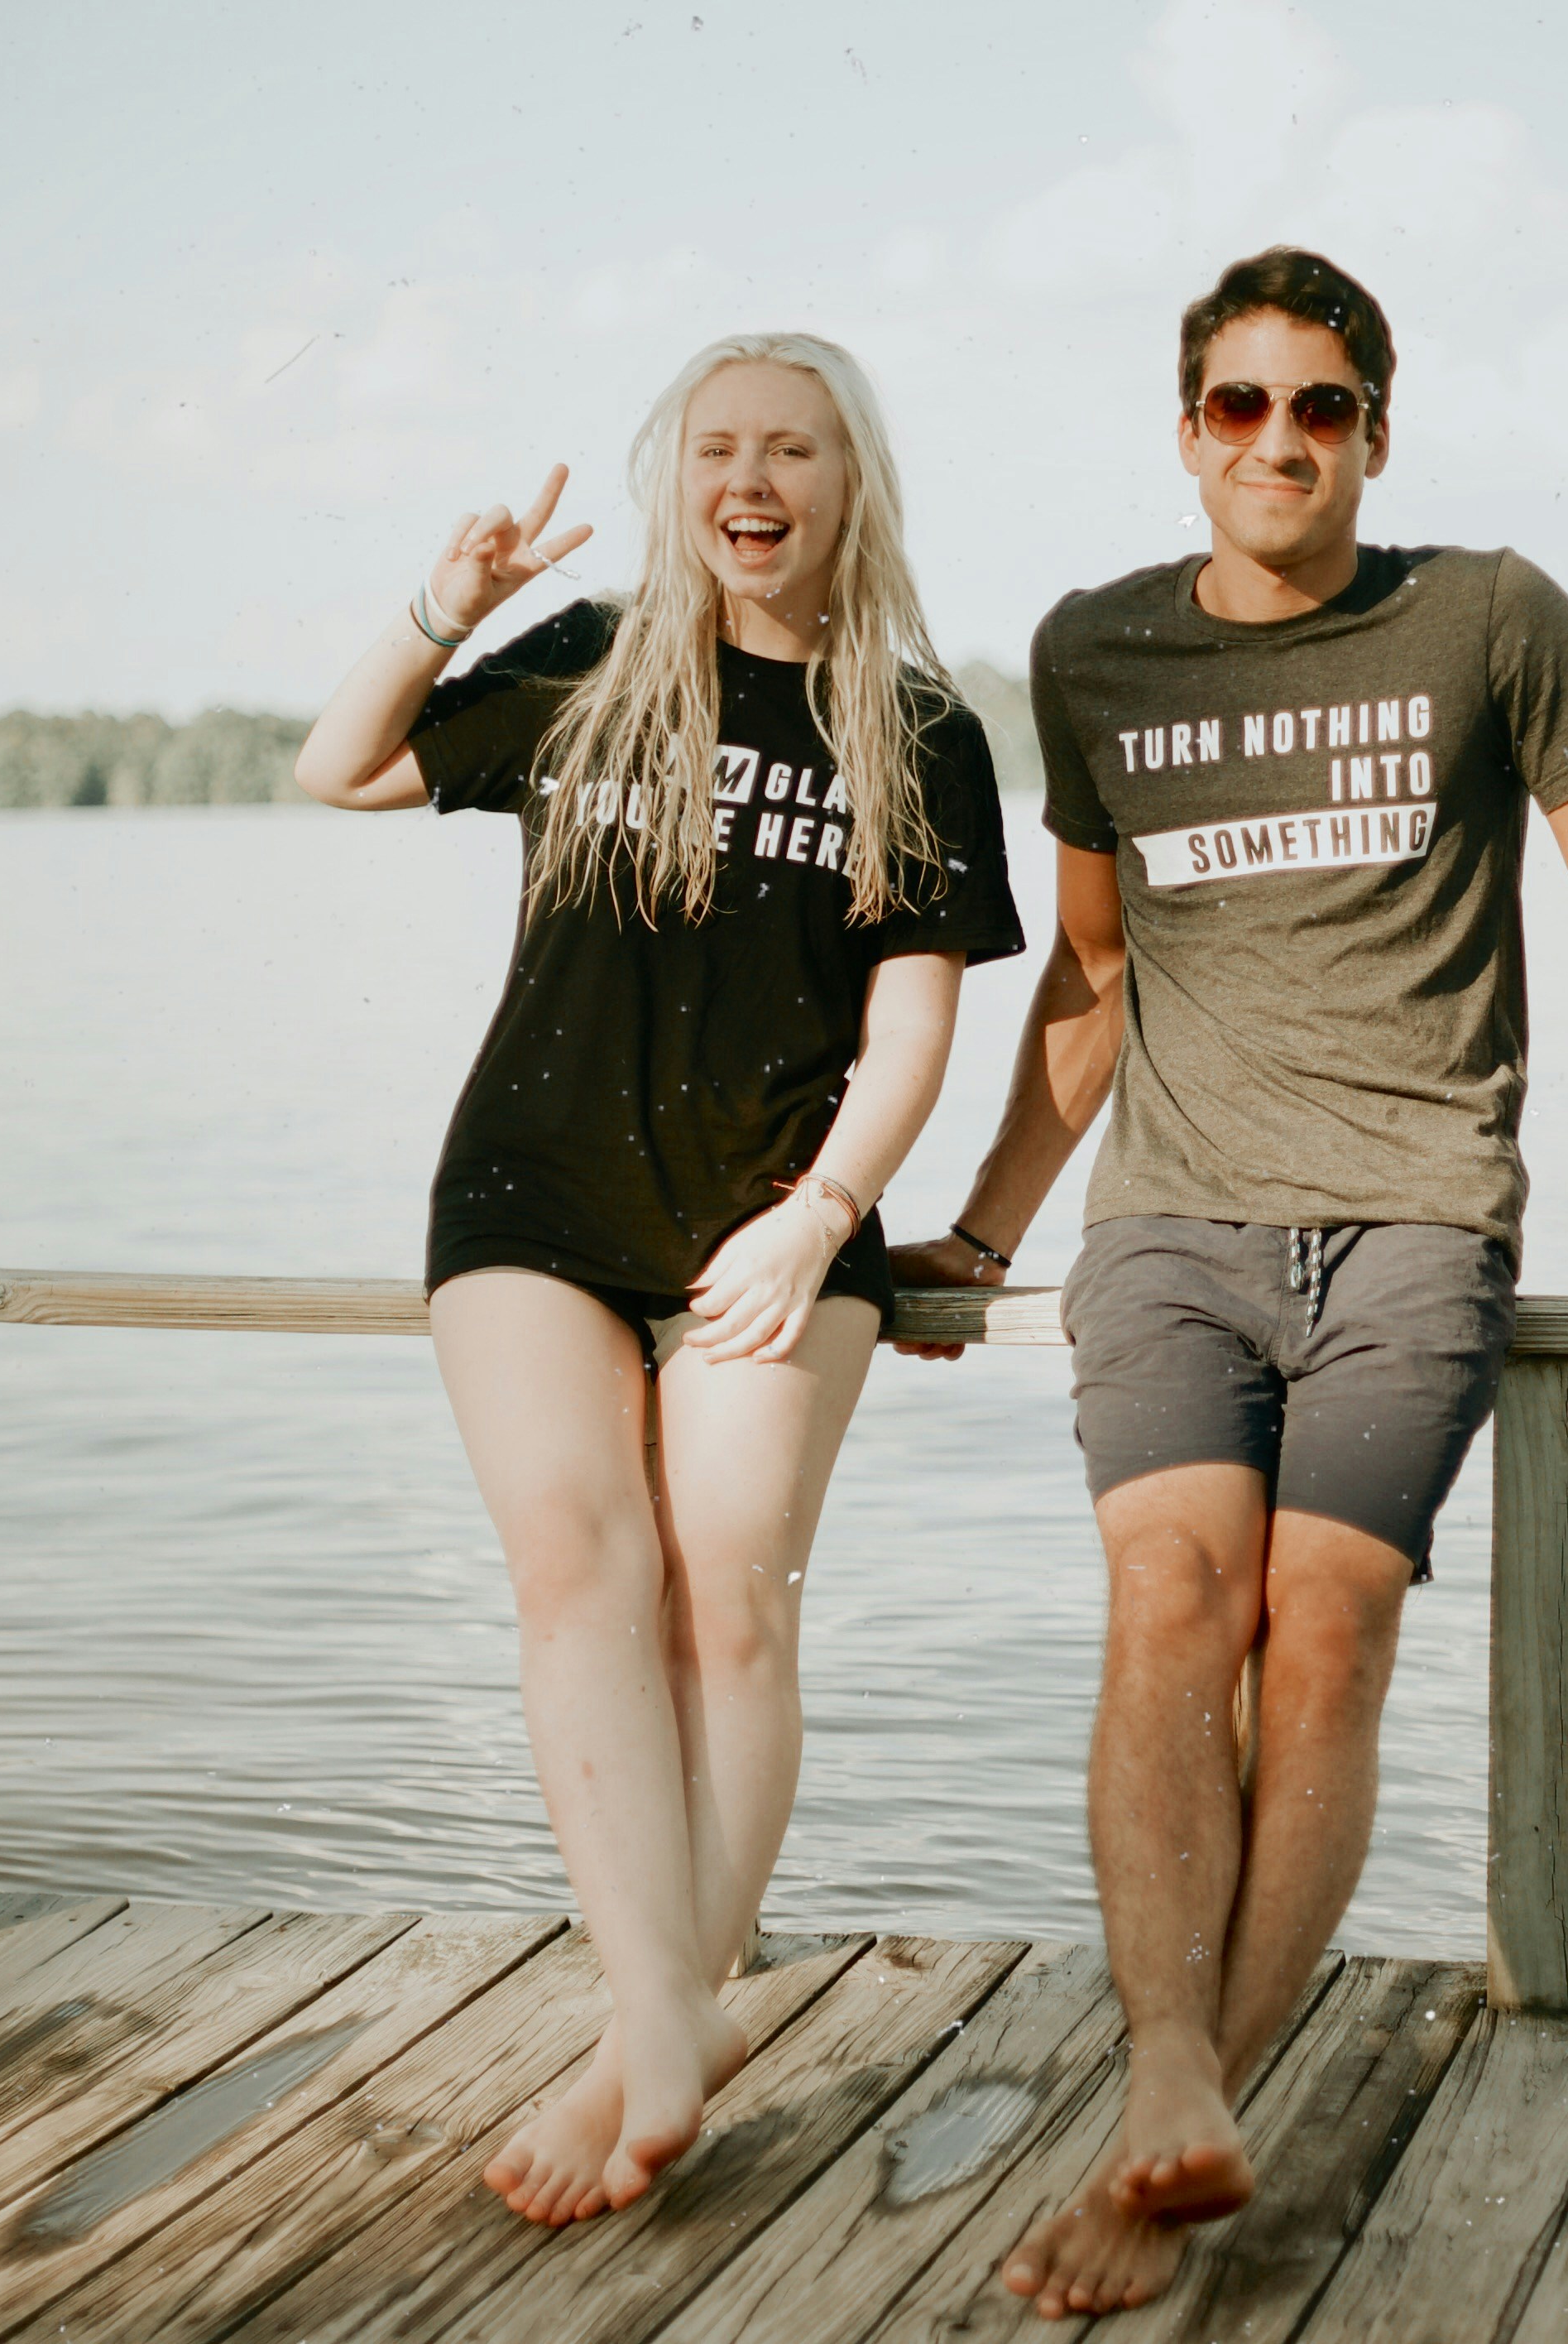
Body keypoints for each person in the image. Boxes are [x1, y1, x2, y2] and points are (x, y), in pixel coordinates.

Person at [887, 249, 1568, 2319]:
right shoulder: (1095, 651)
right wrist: (979, 1232)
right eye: (1238, 405)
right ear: (1189, 430)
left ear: (1374, 432)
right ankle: (1169, 2073)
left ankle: (1165, 2152)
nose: (1279, 440)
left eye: (1320, 406)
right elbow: (1095, 973)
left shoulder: (1486, 617)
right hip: (1169, 1227)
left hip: (1413, 1219)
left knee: (1323, 1635)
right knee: (1168, 1599)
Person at [293, 333, 1023, 2227]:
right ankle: (666, 2012)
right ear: (673, 477)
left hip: (776, 1211)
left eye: (792, 447)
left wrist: (818, 1211)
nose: (751, 477)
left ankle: (640, 2047)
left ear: (849, 483)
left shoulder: (917, 727)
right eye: (718, 446)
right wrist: (445, 605)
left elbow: (915, 1023)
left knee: (733, 1606)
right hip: (534, 1194)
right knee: (577, 1566)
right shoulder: (590, 663)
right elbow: (339, 766)